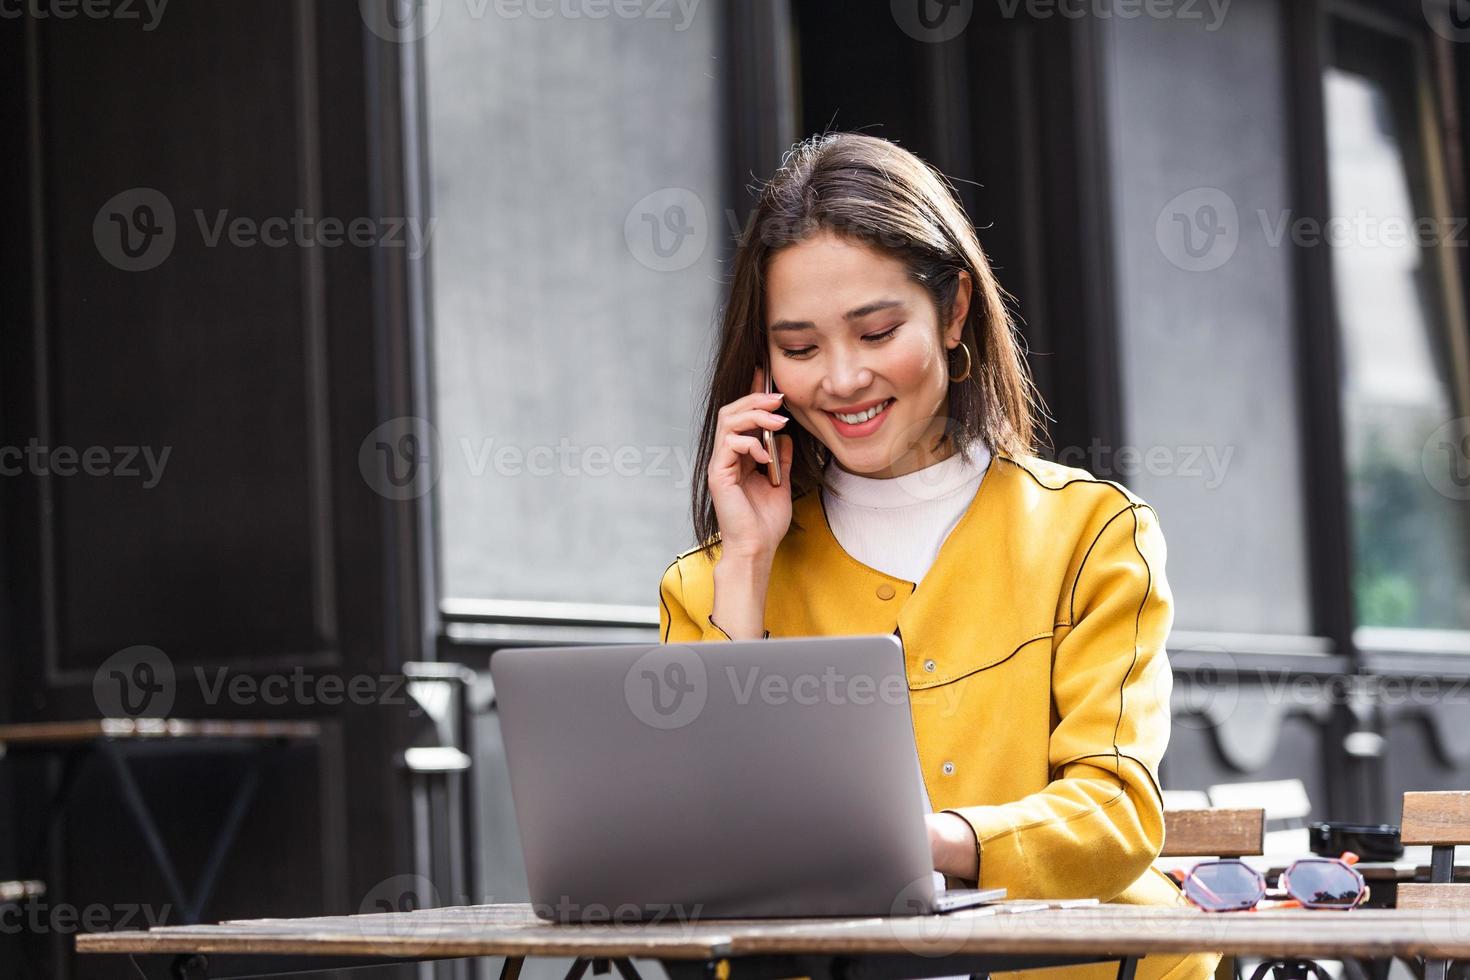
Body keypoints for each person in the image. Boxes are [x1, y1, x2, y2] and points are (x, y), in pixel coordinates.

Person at [657, 132, 1219, 980]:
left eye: (877, 332)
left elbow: (1115, 813)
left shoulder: (1092, 534)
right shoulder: (711, 580)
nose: (841, 380)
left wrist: (929, 844)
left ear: (954, 310)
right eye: (801, 348)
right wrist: (746, 564)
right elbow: (696, 850)